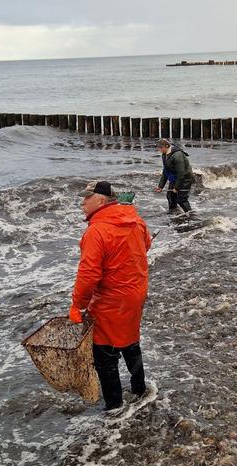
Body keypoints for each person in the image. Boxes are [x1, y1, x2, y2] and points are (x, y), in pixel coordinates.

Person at [69, 180, 152, 411]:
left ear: (102, 201)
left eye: (87, 198)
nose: (82, 203)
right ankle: (139, 389)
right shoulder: (136, 220)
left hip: (110, 299)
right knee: (130, 341)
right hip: (135, 293)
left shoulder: (96, 231)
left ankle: (115, 409)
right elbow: (146, 245)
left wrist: (77, 305)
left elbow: (88, 275)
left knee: (105, 354)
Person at [154, 138, 194, 212]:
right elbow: (165, 171)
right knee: (170, 196)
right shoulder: (164, 154)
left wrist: (176, 187)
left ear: (166, 146)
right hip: (175, 178)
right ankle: (174, 214)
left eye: (160, 148)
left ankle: (191, 216)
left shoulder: (177, 155)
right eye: (158, 148)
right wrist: (160, 186)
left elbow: (181, 173)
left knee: (181, 199)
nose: (159, 150)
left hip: (185, 179)